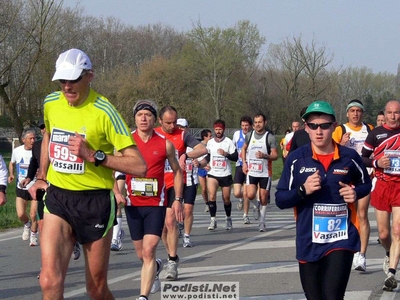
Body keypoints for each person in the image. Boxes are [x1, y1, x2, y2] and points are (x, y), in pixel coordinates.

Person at [28, 48, 147, 300]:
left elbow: (138, 165)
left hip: (95, 202)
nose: (67, 86)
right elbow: (48, 134)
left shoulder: (104, 111)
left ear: (89, 76)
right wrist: (41, 175)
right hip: (59, 197)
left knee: (96, 289)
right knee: (49, 281)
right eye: (63, 80)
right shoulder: (51, 103)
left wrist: (94, 156)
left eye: (74, 80)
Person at [276, 100, 371, 300]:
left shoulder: (349, 157)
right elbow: (280, 199)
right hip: (308, 240)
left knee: (333, 296)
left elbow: (366, 184)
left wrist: (355, 193)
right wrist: (302, 190)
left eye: (324, 126)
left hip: (341, 238)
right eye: (313, 126)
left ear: (334, 127)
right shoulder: (296, 159)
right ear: (306, 129)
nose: (319, 131)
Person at [124, 99, 183, 300]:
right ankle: (157, 266)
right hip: (132, 205)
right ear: (134, 118)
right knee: (142, 254)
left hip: (155, 205)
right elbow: (117, 172)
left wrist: (177, 199)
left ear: (154, 119)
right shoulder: (126, 142)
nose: (143, 118)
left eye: (147, 115)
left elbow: (177, 171)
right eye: (139, 115)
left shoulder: (165, 144)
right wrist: (117, 192)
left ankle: (143, 296)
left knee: (149, 250)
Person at [155, 106, 207, 281]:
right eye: (168, 122)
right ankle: (173, 254)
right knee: (161, 229)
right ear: (160, 121)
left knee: (170, 222)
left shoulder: (182, 134)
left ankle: (171, 262)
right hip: (156, 185)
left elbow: (203, 149)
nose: (172, 126)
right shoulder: (153, 133)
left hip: (174, 184)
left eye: (174, 122)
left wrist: (185, 153)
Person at [361, 100, 400, 291]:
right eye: (390, 113)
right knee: (384, 234)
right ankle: (388, 251)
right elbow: (362, 158)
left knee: (398, 230)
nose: (393, 116)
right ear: (385, 115)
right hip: (382, 185)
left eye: (397, 113)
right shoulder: (376, 134)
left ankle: (392, 273)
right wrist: (377, 163)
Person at [332, 99, 374, 272]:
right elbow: (330, 150)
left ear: (362, 113)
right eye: (352, 111)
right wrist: (341, 145)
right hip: (344, 178)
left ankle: (361, 255)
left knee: (362, 214)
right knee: (345, 216)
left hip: (364, 178)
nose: (355, 113)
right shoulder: (339, 130)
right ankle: (343, 250)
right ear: (347, 113)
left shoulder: (370, 129)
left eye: (358, 111)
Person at [241, 113, 278, 232]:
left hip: (265, 172)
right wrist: (244, 163)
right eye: (255, 122)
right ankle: (256, 206)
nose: (257, 125)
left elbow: (275, 155)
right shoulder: (249, 135)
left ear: (265, 123)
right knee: (250, 194)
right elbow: (243, 149)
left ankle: (262, 222)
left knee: (263, 198)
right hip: (252, 171)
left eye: (260, 122)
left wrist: (265, 156)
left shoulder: (269, 137)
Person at [176, 118, 206, 247]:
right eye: (179, 127)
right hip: (175, 181)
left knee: (187, 210)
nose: (181, 130)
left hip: (190, 181)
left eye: (183, 127)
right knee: (174, 210)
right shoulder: (172, 143)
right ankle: (175, 229)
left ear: (187, 128)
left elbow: (205, 160)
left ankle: (187, 236)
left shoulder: (193, 145)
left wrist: (198, 163)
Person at [205, 119, 238, 230]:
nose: (218, 131)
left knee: (226, 198)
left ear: (223, 129)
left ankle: (228, 218)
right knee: (212, 196)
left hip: (225, 173)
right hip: (213, 173)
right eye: (216, 129)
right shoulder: (210, 142)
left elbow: (235, 157)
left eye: (220, 129)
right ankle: (213, 219)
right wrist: (204, 164)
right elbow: (208, 156)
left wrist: (226, 154)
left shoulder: (228, 142)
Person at [8, 128, 38, 245]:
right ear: (23, 139)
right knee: (21, 214)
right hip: (21, 187)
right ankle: (27, 224)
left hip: (35, 187)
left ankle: (34, 235)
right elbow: (12, 163)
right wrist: (11, 174)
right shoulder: (17, 151)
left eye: (34, 138)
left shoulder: (38, 151)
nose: (33, 141)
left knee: (33, 214)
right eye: (30, 138)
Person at [232, 116, 253, 224]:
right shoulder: (236, 135)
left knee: (246, 193)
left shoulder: (254, 135)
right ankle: (240, 199)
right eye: (243, 125)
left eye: (246, 125)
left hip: (250, 167)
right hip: (239, 165)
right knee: (236, 192)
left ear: (250, 126)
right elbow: (233, 148)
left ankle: (246, 215)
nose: (244, 127)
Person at [110, 172, 126, 252]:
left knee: (117, 203)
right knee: (110, 204)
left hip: (119, 172)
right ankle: (119, 231)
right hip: (107, 172)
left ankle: (115, 239)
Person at [198, 129, 212, 213]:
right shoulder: (199, 145)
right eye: (210, 136)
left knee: (210, 188)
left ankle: (211, 203)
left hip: (209, 168)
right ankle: (206, 203)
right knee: (203, 189)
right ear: (205, 137)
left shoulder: (212, 144)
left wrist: (209, 165)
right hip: (201, 168)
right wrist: (202, 165)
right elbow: (197, 156)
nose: (211, 137)